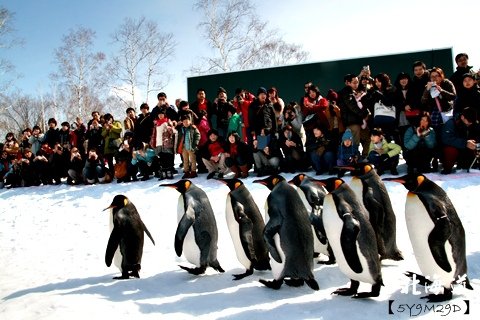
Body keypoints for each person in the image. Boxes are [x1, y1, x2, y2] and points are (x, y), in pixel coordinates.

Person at [338, 74, 370, 157]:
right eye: (354, 82)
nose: (357, 84)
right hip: (352, 122)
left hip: (360, 121)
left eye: (357, 82)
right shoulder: (345, 92)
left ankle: (364, 156)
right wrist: (364, 114)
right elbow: (352, 106)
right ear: (347, 83)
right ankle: (354, 158)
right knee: (355, 142)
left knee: (368, 138)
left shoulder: (357, 91)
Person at [441, 107, 480, 174]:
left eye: (471, 122)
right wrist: (465, 143)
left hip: (467, 151)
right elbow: (446, 139)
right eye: (468, 121)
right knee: (450, 150)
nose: (470, 124)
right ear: (462, 117)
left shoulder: (474, 123)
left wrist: (477, 144)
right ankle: (447, 168)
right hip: (453, 149)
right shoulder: (451, 123)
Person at [150, 109, 176, 179]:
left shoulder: (168, 122)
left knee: (168, 159)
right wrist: (152, 142)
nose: (160, 116)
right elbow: (154, 134)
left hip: (166, 143)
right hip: (158, 144)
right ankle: (163, 174)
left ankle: (169, 173)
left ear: (164, 115)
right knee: (161, 160)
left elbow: (173, 132)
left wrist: (170, 127)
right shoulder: (156, 123)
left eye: (162, 114)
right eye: (159, 114)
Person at [176, 114, 200, 178]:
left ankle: (193, 171)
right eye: (184, 122)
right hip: (184, 146)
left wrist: (195, 144)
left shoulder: (193, 128)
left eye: (187, 121)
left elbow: (198, 135)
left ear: (190, 121)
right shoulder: (181, 129)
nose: (186, 123)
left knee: (193, 159)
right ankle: (186, 171)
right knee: (185, 160)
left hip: (191, 146)